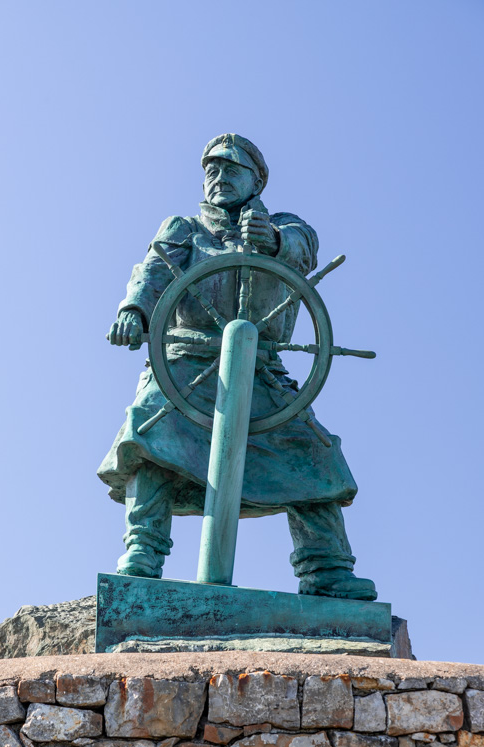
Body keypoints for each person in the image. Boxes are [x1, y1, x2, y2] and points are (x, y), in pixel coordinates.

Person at [98, 133, 377, 601]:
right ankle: (143, 550)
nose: (219, 177)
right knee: (151, 434)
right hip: (186, 366)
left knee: (314, 454)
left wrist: (273, 241)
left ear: (256, 181)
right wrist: (133, 311)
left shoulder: (285, 227)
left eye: (231, 169)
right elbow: (152, 273)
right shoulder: (184, 229)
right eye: (212, 169)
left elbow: (302, 247)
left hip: (260, 373)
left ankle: (326, 569)